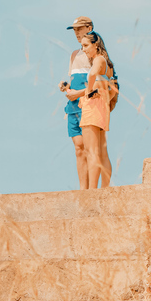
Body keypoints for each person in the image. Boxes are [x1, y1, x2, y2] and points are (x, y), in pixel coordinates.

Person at [78, 31, 118, 189]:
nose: (84, 49)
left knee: (91, 152)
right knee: (102, 151)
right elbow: (113, 89)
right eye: (82, 46)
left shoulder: (99, 60)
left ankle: (92, 191)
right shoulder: (107, 64)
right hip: (102, 107)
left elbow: (92, 74)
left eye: (86, 45)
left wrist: (87, 92)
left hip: (93, 107)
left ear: (96, 45)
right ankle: (104, 189)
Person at [59, 16, 94, 189]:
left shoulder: (96, 53)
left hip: (89, 104)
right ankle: (83, 189)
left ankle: (93, 189)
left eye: (79, 29)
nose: (77, 33)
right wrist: (65, 87)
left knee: (90, 148)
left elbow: (101, 83)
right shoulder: (74, 54)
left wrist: (79, 93)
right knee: (78, 148)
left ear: (89, 28)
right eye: (74, 30)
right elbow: (74, 80)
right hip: (73, 106)